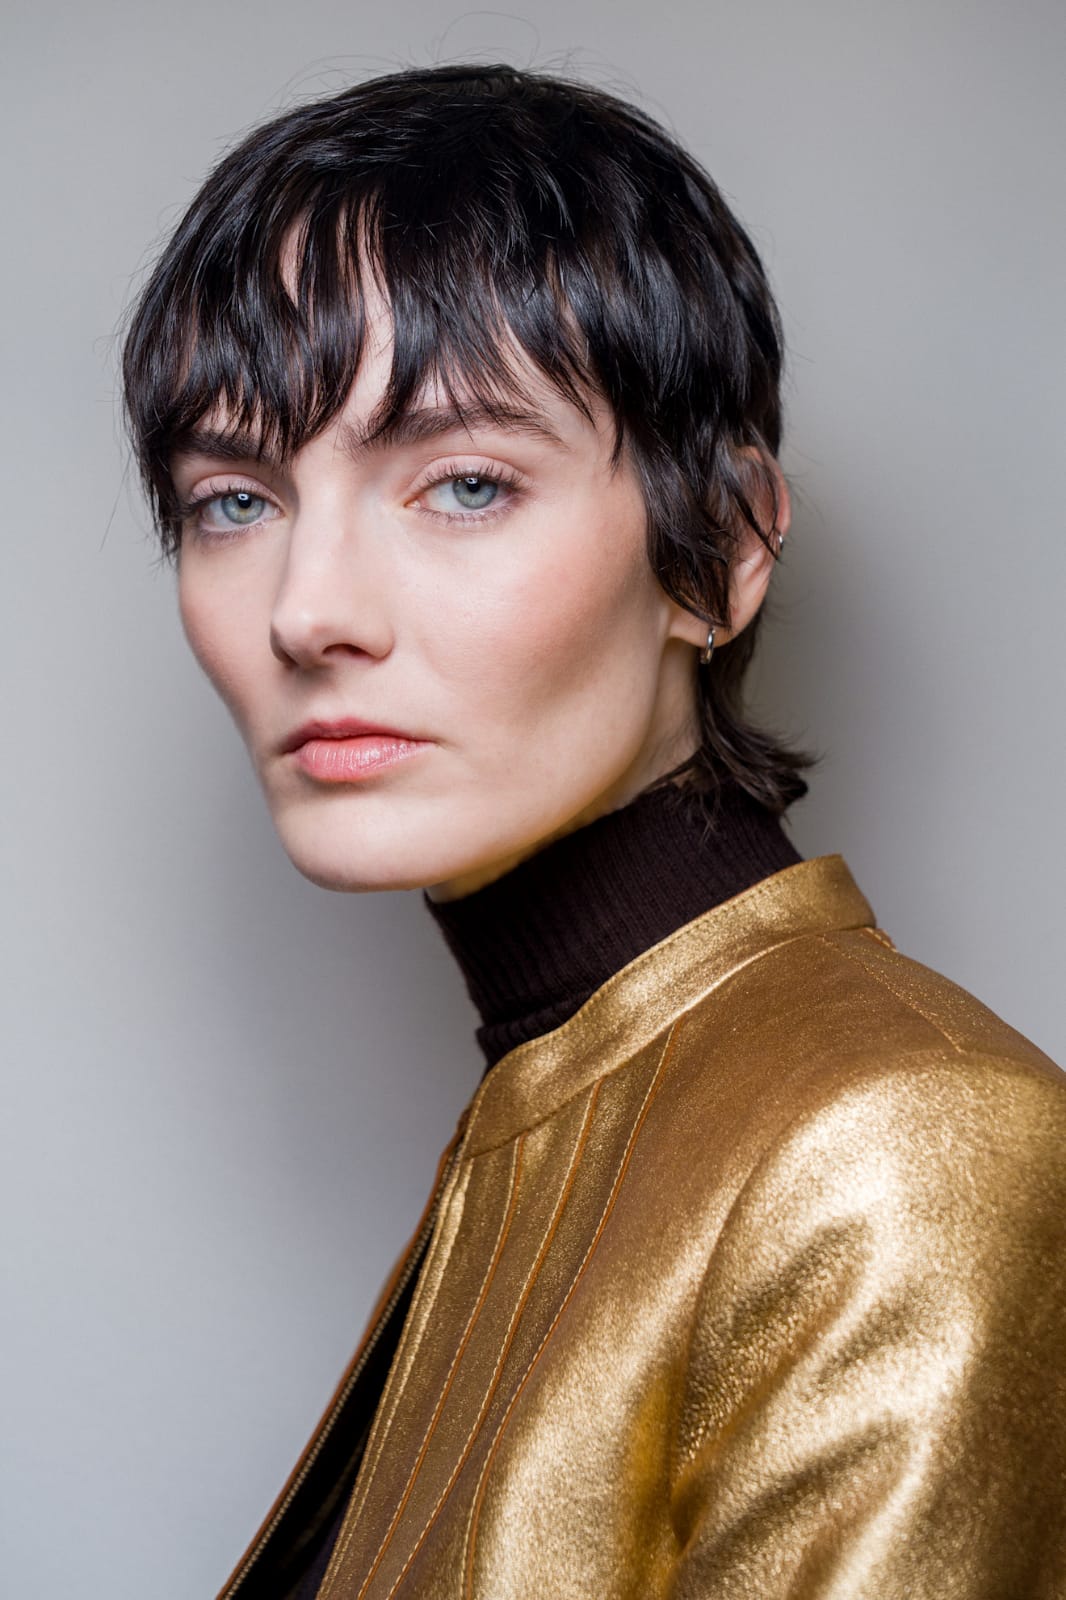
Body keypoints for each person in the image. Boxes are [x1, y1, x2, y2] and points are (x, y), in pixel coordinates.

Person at [121, 63, 1066, 1600]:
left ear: (720, 550)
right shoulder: (553, 1100)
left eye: (463, 484)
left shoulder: (894, 1145)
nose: (306, 610)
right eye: (235, 500)